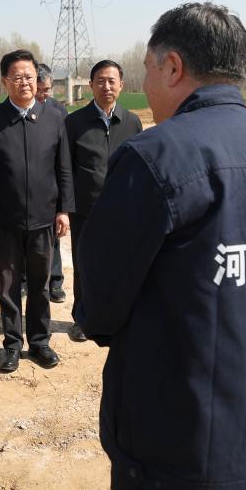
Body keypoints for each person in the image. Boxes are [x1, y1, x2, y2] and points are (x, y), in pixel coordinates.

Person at [76, 2, 246, 490]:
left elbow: (98, 307)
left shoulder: (153, 157)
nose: (144, 84)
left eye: (147, 69)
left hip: (177, 449)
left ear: (172, 67)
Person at [0, 50, 74, 374]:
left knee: (40, 284)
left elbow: (64, 168)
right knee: (7, 286)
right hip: (5, 221)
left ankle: (40, 341)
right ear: (4, 81)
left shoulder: (54, 117)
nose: (24, 83)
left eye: (29, 76)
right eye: (17, 77)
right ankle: (12, 344)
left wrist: (64, 209)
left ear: (37, 79)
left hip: (45, 218)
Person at [64, 59, 142, 342]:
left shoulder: (132, 122)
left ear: (121, 85)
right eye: (100, 81)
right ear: (90, 85)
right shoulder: (74, 122)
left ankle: (115, 316)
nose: (106, 86)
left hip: (121, 209)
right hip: (85, 210)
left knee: (119, 264)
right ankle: (82, 318)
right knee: (84, 264)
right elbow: (66, 168)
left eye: (112, 81)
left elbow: (138, 166)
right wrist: (66, 207)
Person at [35, 63, 69, 303]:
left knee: (53, 236)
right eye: (39, 89)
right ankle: (26, 280)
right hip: (26, 183)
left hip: (51, 183)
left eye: (46, 89)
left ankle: (55, 281)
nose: (42, 94)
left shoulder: (58, 110)